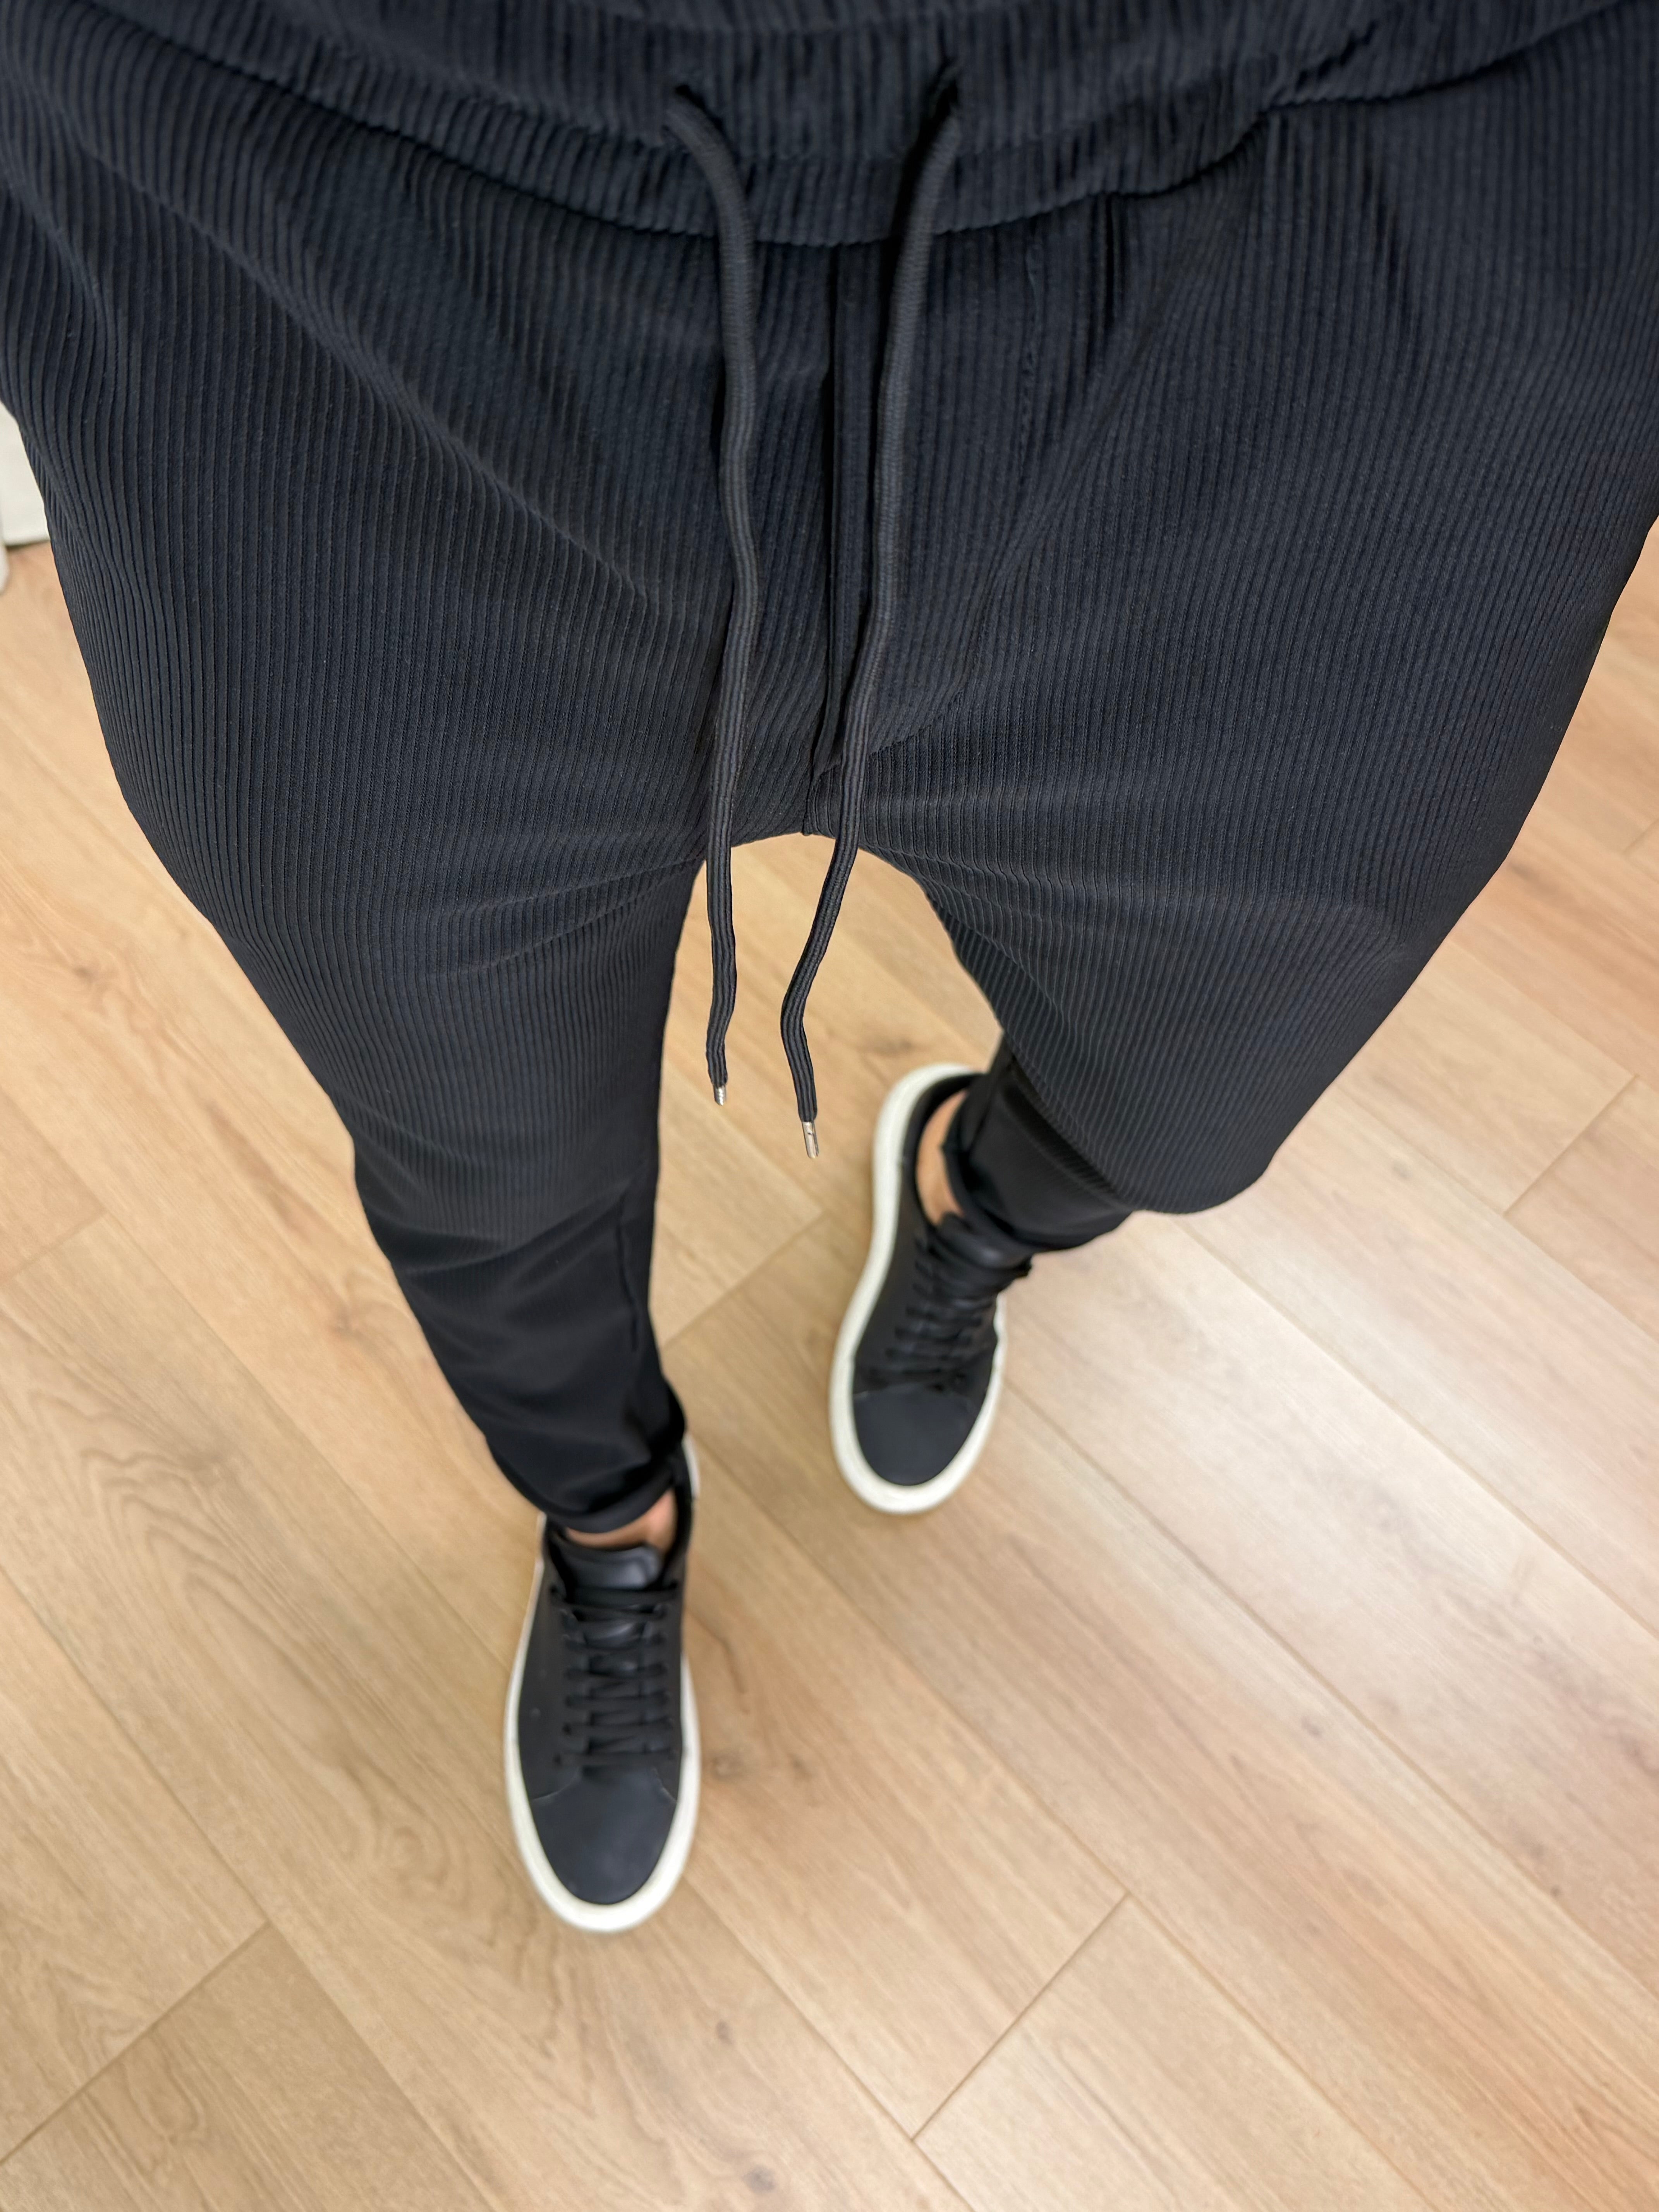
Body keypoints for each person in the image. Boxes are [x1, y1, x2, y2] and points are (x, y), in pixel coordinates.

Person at [2, 0, 1655, 1934]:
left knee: (1191, 1108)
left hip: (1356, 213)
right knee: (481, 1171)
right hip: (308, 246)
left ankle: (978, 1198)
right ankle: (613, 1516)